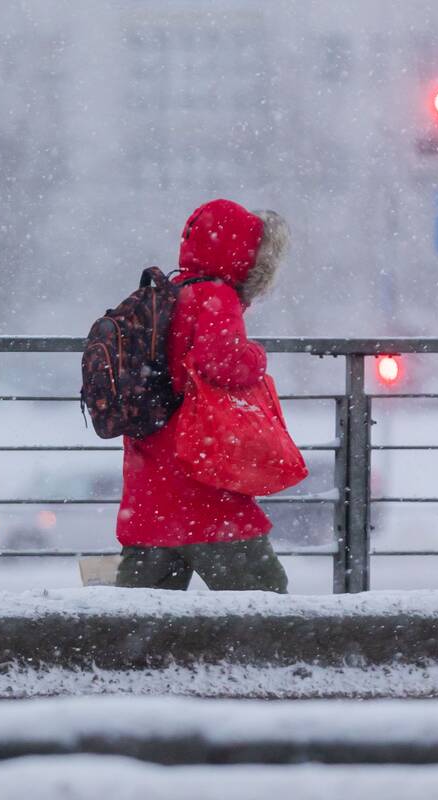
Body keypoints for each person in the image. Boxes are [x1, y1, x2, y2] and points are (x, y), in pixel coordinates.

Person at [115, 199, 290, 592]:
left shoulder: (164, 295)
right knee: (269, 608)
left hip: (151, 485)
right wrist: (257, 357)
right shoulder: (215, 297)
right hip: (202, 483)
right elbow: (221, 362)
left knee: (136, 626)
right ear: (241, 255)